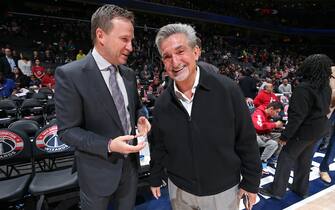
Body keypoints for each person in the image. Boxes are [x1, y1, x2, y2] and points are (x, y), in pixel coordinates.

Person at [149, 23, 261, 210]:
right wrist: (155, 176)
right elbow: (159, 145)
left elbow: (247, 139)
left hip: (223, 190)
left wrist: (251, 182)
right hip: (179, 189)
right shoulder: (161, 104)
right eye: (167, 57)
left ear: (196, 52)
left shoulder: (228, 90)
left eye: (180, 51)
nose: (175, 62)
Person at [55, 5, 151, 210]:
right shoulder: (70, 75)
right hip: (96, 171)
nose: (131, 47)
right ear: (101, 35)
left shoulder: (129, 74)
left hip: (131, 168)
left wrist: (142, 117)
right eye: (124, 39)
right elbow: (67, 131)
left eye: (131, 40)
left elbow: (137, 109)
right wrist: (108, 145)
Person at [260, 54, 333, 199]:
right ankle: (301, 189)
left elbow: (297, 117)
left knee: (286, 157)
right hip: (321, 128)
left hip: (306, 130)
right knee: (305, 159)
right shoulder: (326, 87)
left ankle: (277, 191)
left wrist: (285, 136)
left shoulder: (303, 88)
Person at [252, 101, 283, 169]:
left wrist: (277, 126)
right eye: (277, 112)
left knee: (282, 137)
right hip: (253, 135)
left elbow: (266, 128)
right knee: (273, 144)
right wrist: (274, 124)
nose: (277, 114)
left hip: (263, 134)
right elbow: (259, 126)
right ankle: (261, 163)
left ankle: (272, 160)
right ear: (271, 109)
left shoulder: (268, 115)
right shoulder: (258, 113)